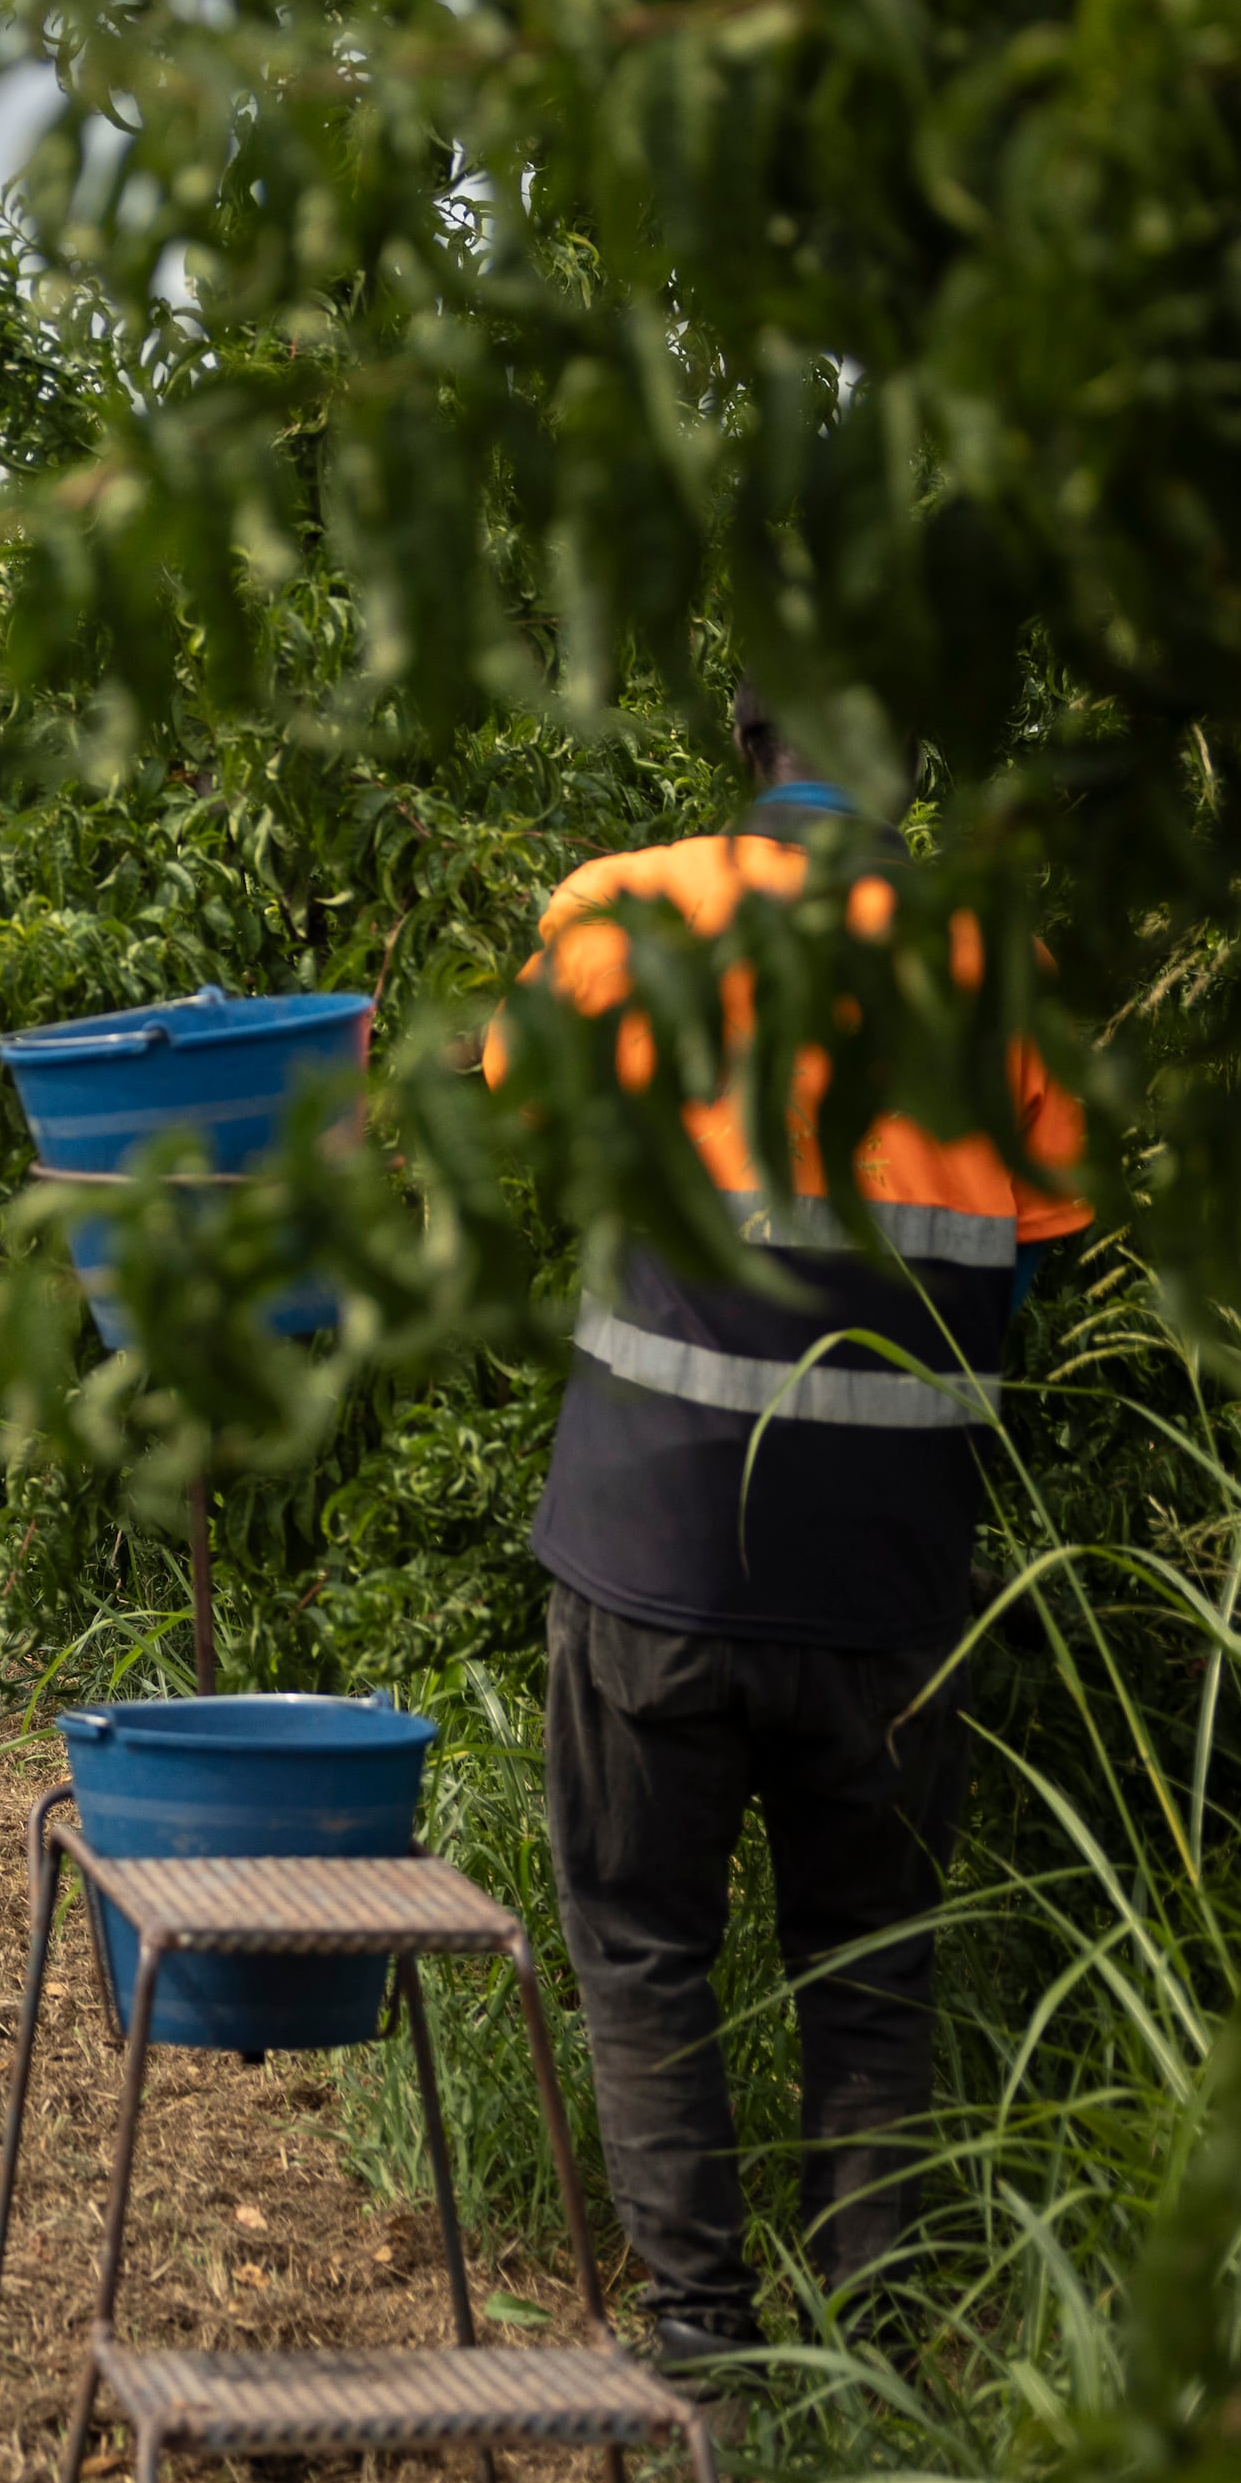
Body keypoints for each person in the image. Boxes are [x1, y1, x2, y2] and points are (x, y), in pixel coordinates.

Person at [512, 690, 1086, 2386]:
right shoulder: (1001, 970)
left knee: (641, 1946)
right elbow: (1030, 1261)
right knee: (871, 1978)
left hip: (654, 1560)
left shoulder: (629, 915)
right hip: (895, 1590)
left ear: (747, 739)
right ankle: (874, 2367)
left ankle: (699, 2345)